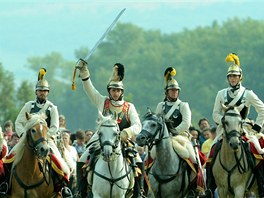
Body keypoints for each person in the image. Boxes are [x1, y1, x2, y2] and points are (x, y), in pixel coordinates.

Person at [76, 59, 143, 198]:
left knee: (139, 161)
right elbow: (90, 89)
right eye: (113, 90)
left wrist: (127, 132)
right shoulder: (102, 101)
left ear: (122, 91)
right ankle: (80, 193)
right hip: (101, 140)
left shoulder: (129, 107)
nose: (115, 93)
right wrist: (84, 72)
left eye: (118, 90)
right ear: (109, 90)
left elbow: (138, 125)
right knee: (82, 159)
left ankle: (139, 193)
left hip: (123, 141)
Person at [207, 53, 264, 197]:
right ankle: (209, 187)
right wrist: (226, 122)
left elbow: (262, 109)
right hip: (225, 130)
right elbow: (215, 114)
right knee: (211, 153)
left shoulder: (248, 94)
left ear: (240, 77)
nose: (232, 79)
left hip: (244, 129)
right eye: (230, 76)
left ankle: (261, 184)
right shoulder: (221, 94)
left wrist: (257, 127)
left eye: (235, 76)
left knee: (258, 151)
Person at [13, 68, 73, 197]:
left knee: (62, 165)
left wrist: (44, 137)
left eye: (45, 91)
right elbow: (18, 122)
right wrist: (24, 135)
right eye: (40, 90)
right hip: (28, 139)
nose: (42, 93)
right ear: (36, 92)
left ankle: (62, 188)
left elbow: (55, 127)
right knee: (9, 158)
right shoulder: (29, 105)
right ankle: (5, 184)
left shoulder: (52, 108)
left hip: (47, 140)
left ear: (48, 92)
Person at [155, 67, 207, 197]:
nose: (174, 93)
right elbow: (157, 123)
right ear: (167, 92)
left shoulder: (183, 105)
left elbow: (186, 123)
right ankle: (146, 186)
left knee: (193, 159)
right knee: (149, 158)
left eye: (176, 91)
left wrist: (173, 132)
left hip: (181, 137)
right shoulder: (160, 106)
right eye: (172, 90)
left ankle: (194, 186)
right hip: (163, 139)